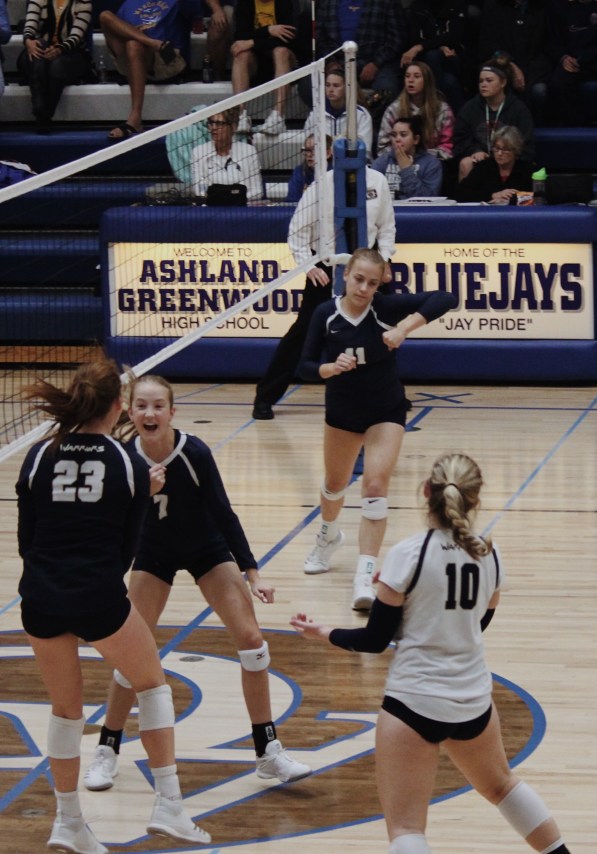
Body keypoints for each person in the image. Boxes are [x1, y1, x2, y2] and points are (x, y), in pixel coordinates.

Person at [290, 452, 572, 854]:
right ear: (474, 500)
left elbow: (375, 640)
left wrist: (326, 632)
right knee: (502, 787)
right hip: (473, 701)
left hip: (415, 702)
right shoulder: (489, 553)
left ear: (426, 492)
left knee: (406, 829)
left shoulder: (408, 553)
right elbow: (475, 623)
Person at [84, 374, 312, 795]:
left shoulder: (195, 452)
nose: (150, 413)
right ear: (129, 411)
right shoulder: (123, 458)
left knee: (252, 641)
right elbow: (112, 524)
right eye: (142, 406)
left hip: (206, 548)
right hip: (153, 553)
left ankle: (268, 751)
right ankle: (107, 748)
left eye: (158, 406)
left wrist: (252, 572)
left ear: (173, 411)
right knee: (128, 654)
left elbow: (224, 513)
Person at [15, 359, 209, 853]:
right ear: (120, 406)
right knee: (151, 685)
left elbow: (26, 539)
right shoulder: (130, 463)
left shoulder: (37, 456)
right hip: (98, 595)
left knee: (65, 711)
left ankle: (69, 822)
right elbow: (129, 550)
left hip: (39, 595)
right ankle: (169, 805)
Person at [296, 247, 457, 612]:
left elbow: (446, 297)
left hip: (386, 409)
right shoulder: (325, 314)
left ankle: (364, 576)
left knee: (374, 487)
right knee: (335, 485)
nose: (364, 288)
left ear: (380, 281)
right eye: (358, 279)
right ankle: (327, 536)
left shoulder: (385, 309)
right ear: (346, 276)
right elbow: (304, 365)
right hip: (342, 411)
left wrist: (403, 328)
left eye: (372, 282)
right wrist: (329, 368)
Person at [251, 164, 396, 420]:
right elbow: (298, 229)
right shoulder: (322, 184)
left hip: (366, 267)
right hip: (327, 265)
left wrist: (384, 260)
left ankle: (392, 395)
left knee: (381, 332)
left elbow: (386, 227)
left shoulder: (377, 181)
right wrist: (307, 265)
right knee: (303, 332)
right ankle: (265, 397)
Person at [99, 0, 201, 139]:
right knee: (105, 16)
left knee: (134, 44)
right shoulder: (129, 3)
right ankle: (151, 43)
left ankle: (135, 118)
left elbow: (198, 26)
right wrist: (149, 42)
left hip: (168, 58)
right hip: (135, 56)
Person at [16, 0, 93, 133]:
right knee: (38, 48)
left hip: (71, 53)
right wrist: (28, 41)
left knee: (57, 65)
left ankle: (44, 114)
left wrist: (59, 49)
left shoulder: (84, 2)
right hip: (40, 54)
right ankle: (39, 106)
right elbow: (30, 24)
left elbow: (76, 36)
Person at [230, 0, 303, 135]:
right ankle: (240, 115)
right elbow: (239, 38)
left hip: (285, 62)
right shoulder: (244, 3)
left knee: (281, 51)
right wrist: (269, 30)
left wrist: (253, 41)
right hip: (256, 63)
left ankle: (278, 117)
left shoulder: (288, 3)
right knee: (240, 53)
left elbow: (288, 38)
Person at [453, 63, 534, 183]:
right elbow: (460, 139)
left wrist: (505, 155)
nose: (483, 84)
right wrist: (475, 151)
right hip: (480, 161)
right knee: (466, 163)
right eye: (481, 81)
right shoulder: (470, 108)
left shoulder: (518, 109)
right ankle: (467, 200)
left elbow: (526, 144)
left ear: (503, 83)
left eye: (489, 80)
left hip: (508, 161)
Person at [478, 0, 553, 121]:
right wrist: (511, 66)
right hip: (502, 65)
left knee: (538, 90)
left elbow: (547, 49)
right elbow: (488, 46)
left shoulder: (540, 8)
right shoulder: (493, 6)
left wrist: (524, 73)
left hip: (533, 69)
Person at [317, 0, 404, 95]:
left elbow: (397, 40)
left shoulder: (388, 2)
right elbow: (319, 38)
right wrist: (331, 62)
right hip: (338, 62)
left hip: (377, 62)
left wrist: (375, 64)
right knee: (308, 86)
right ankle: (335, 109)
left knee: (387, 89)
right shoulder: (326, 3)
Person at [397, 0, 470, 111]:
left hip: (454, 56)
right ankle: (443, 109)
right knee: (448, 80)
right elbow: (415, 39)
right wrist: (439, 46)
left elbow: (454, 36)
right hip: (427, 60)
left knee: (435, 58)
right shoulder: (418, 6)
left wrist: (421, 46)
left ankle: (434, 105)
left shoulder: (457, 4)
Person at [376, 61, 455, 162]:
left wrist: (421, 157)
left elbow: (448, 148)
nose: (411, 80)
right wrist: (403, 156)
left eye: (417, 76)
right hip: (398, 164)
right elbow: (382, 149)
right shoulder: (394, 109)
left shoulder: (443, 110)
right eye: (407, 76)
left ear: (427, 81)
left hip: (432, 165)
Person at [189, 106, 266, 200]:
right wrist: (233, 196)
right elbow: (199, 191)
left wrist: (231, 198)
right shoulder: (198, 153)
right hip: (211, 210)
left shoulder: (249, 152)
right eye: (211, 123)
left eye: (219, 123)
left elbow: (258, 191)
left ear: (233, 127)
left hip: (242, 210)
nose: (213, 128)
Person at [302, 66, 374, 159]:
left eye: (336, 85)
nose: (331, 89)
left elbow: (365, 150)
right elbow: (308, 144)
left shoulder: (361, 115)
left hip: (352, 164)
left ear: (346, 87)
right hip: (322, 165)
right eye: (327, 85)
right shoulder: (316, 114)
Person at [452, 124, 531, 204]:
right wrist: (493, 195)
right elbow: (461, 194)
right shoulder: (484, 167)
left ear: (515, 150)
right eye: (497, 148)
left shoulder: (526, 170)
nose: (499, 153)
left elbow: (536, 197)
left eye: (505, 149)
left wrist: (511, 200)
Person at [371, 115, 443, 199]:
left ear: (416, 139)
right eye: (394, 135)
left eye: (403, 135)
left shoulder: (431, 164)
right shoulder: (382, 162)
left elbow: (428, 199)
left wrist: (406, 170)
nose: (397, 139)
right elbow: (371, 194)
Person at [287, 133, 333, 202]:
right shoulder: (299, 172)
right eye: (306, 150)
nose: (308, 154)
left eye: (313, 150)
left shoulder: (337, 173)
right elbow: (291, 202)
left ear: (328, 153)